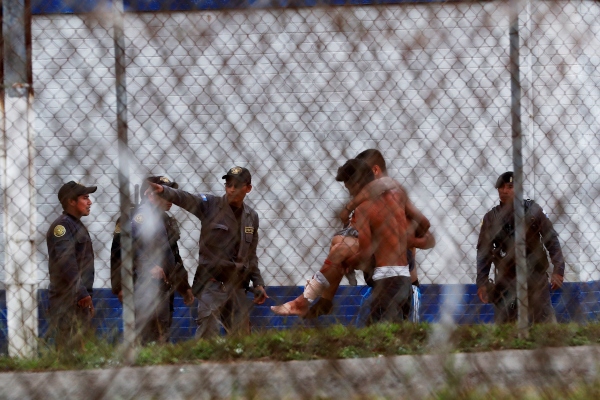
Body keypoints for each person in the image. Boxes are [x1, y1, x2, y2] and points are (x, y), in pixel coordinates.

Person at [272, 159, 428, 323]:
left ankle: (307, 300)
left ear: (358, 184)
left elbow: (367, 251)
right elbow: (424, 224)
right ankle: (321, 301)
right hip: (383, 273)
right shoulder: (391, 198)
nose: (349, 194)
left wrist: (403, 239)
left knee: (342, 249)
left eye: (349, 188)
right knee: (339, 243)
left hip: (400, 275)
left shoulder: (370, 205)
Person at [146, 166, 268, 338]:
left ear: (248, 188)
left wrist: (258, 282)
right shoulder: (210, 205)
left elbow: (251, 254)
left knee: (242, 337)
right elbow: (187, 198)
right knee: (207, 333)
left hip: (238, 285)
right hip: (212, 283)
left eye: (237, 185)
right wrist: (165, 191)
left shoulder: (251, 216)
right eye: (229, 184)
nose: (232, 189)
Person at [476, 171, 565, 324]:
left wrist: (558, 269)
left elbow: (552, 241)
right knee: (506, 327)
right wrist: (482, 282)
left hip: (535, 278)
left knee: (545, 326)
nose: (505, 191)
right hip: (506, 281)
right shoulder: (491, 218)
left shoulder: (533, 211)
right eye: (501, 187)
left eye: (510, 187)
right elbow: (484, 253)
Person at [114, 176, 194, 344]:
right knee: (146, 336)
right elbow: (120, 253)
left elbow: (174, 256)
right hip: (143, 287)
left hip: (164, 288)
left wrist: (184, 287)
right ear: (150, 194)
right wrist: (119, 286)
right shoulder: (134, 217)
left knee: (161, 335)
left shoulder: (166, 221)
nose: (171, 199)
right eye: (165, 193)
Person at [46, 181, 97, 349]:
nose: (89, 202)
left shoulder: (75, 225)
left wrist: (86, 295)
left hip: (78, 299)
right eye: (85, 198)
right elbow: (67, 263)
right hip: (67, 300)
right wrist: (82, 293)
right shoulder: (62, 226)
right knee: (69, 349)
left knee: (80, 349)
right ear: (71, 201)